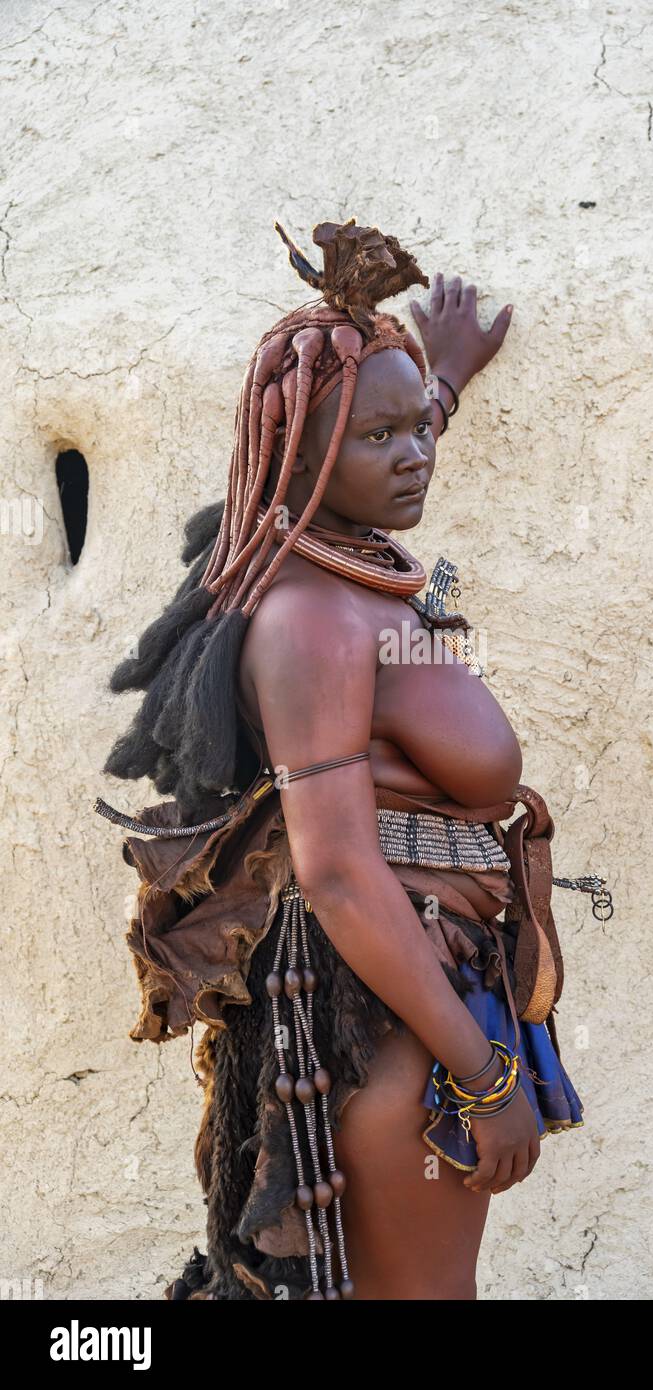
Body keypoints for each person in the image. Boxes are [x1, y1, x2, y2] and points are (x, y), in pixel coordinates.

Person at [94, 217, 600, 1301]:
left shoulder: (343, 558)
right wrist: (481, 1071)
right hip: (401, 1040)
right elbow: (331, 870)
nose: (415, 453)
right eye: (384, 437)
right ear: (311, 454)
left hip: (426, 997)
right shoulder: (314, 621)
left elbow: (373, 445)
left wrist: (438, 379)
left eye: (420, 428)